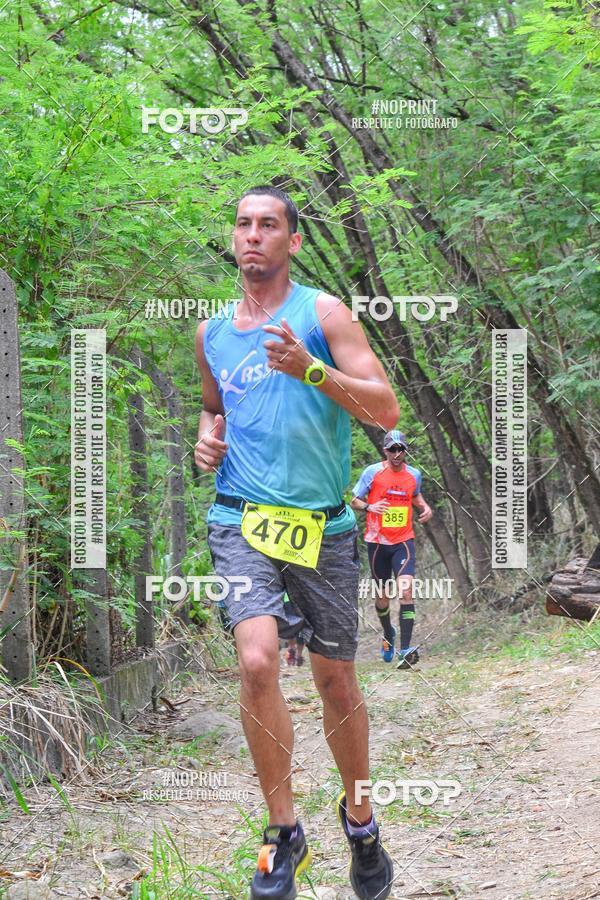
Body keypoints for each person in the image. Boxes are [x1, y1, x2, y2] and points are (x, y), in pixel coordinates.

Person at [194, 184, 398, 900]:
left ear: (293, 241)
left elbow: (385, 405)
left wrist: (310, 368)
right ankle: (283, 833)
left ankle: (360, 819)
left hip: (323, 525)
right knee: (256, 661)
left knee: (335, 679)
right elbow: (214, 407)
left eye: (269, 224)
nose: (253, 235)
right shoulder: (213, 331)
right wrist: (205, 438)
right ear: (235, 237)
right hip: (239, 517)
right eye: (244, 223)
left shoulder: (323, 313)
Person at [351, 431, 432, 669]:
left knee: (406, 591)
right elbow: (354, 500)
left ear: (406, 450)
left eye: (401, 449)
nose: (397, 454)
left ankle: (406, 650)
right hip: (377, 543)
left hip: (403, 541)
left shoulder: (413, 475)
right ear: (384, 451)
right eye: (392, 450)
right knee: (382, 597)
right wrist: (370, 507)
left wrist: (425, 507)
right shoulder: (372, 472)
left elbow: (415, 496)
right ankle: (388, 632)